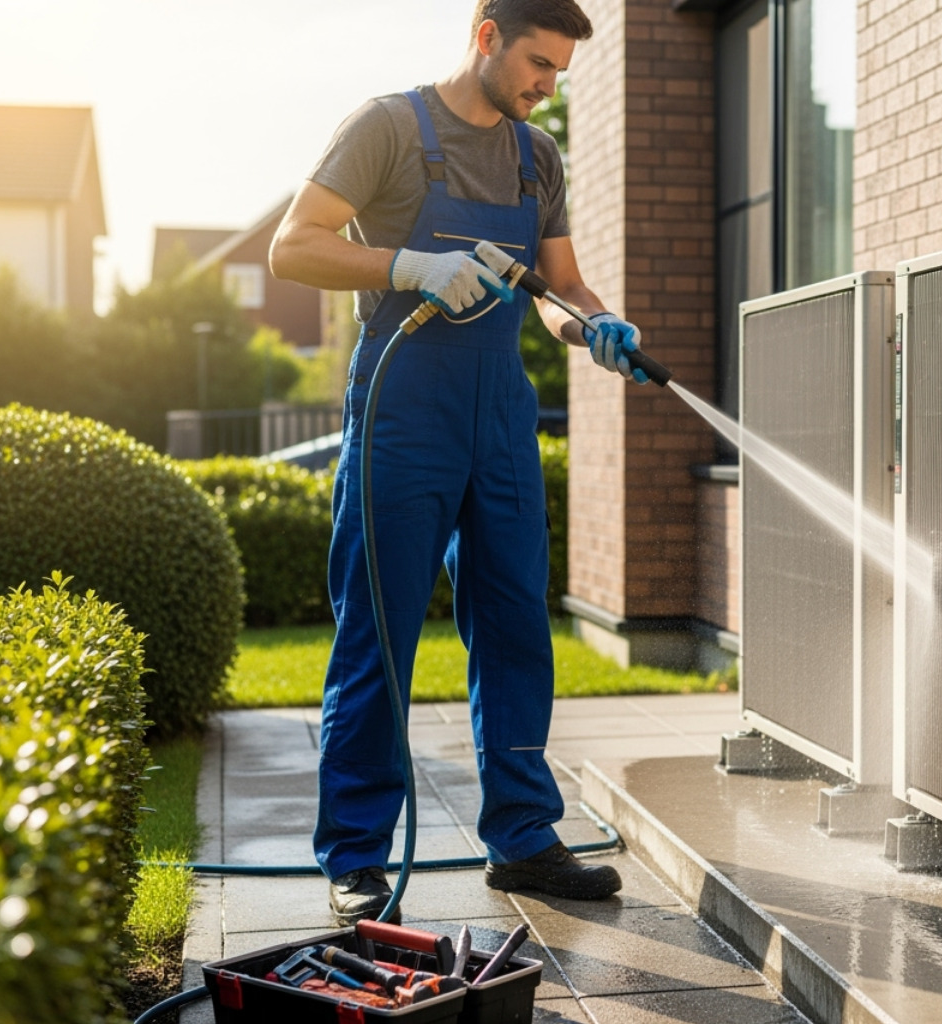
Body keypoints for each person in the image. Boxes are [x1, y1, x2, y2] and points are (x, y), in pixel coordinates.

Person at [269, 0, 652, 924]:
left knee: (518, 624)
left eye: (559, 71)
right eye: (537, 64)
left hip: (500, 418)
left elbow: (557, 288)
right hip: (404, 406)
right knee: (382, 632)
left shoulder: (537, 155)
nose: (547, 87)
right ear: (486, 37)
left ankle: (523, 837)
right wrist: (409, 267)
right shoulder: (388, 129)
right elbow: (293, 248)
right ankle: (356, 855)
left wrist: (591, 324)